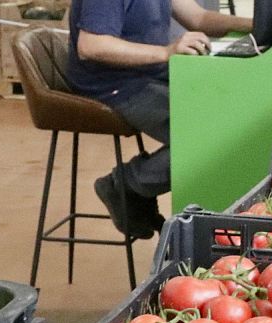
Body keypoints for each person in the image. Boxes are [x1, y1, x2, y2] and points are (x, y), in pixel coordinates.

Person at [69, 0, 252, 238]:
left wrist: (255, 25)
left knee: (231, 117)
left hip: (150, 73)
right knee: (211, 134)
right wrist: (166, 52)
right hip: (114, 84)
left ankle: (137, 185)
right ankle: (127, 183)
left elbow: (199, 18)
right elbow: (92, 45)